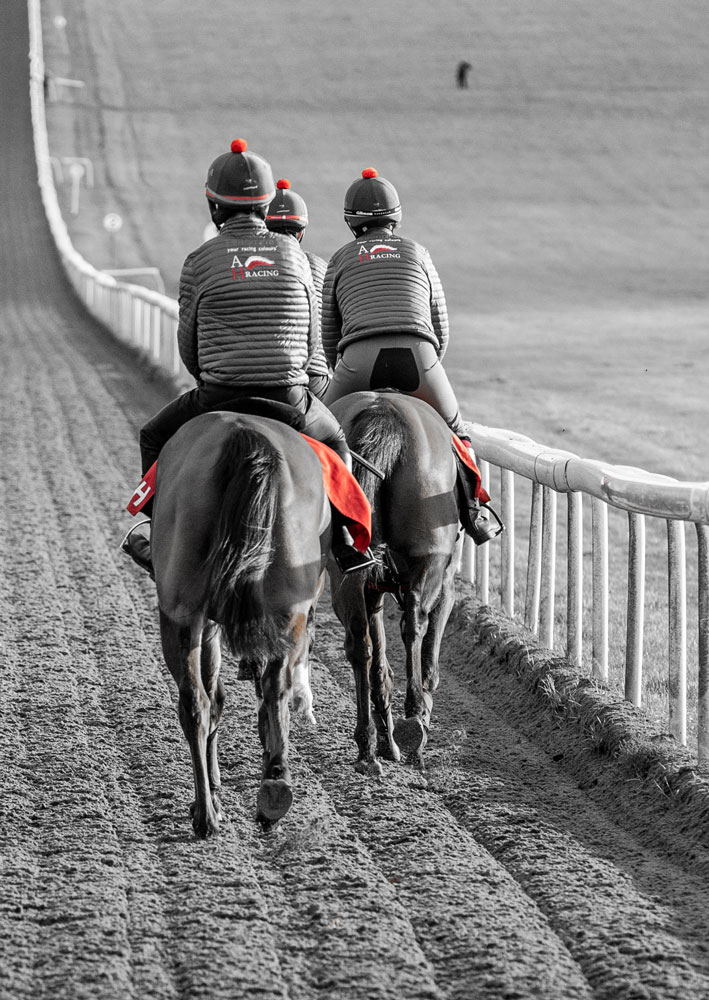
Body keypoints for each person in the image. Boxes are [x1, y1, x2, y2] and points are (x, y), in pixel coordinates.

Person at [122, 138, 375, 575]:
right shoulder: (296, 256)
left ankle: (157, 531)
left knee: (151, 434)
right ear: (265, 205)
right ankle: (346, 538)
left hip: (218, 395)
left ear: (214, 207)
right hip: (291, 399)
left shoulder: (198, 260)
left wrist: (212, 379)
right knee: (335, 442)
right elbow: (314, 338)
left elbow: (189, 344)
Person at [321, 167, 500, 545]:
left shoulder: (338, 259)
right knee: (458, 433)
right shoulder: (418, 252)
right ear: (396, 217)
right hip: (418, 358)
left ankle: (319, 525)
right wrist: (430, 366)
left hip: (358, 360)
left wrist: (343, 367)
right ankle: (473, 513)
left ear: (351, 221)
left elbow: (328, 332)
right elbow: (441, 324)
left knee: (316, 435)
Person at [265, 178, 331, 399]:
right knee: (339, 435)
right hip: (312, 379)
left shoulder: (248, 262)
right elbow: (333, 332)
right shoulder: (319, 266)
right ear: (301, 231)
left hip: (252, 377)